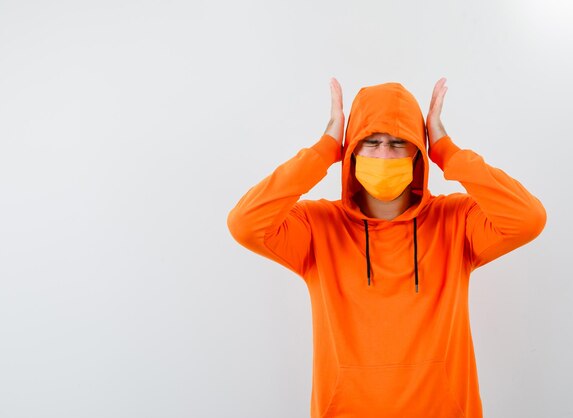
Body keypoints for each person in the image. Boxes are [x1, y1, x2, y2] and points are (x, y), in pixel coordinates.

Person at [227, 77, 546, 418]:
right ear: (351, 152)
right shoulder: (317, 227)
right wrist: (324, 148)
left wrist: (446, 149)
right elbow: (246, 223)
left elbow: (527, 218)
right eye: (371, 142)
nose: (383, 154)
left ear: (417, 154)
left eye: (398, 143)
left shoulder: (456, 221)